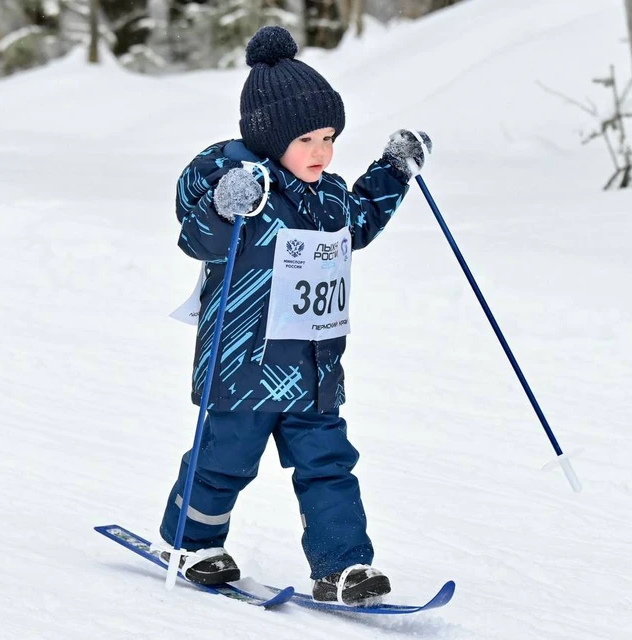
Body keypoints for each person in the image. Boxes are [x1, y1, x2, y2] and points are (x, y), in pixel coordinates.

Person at [159, 24, 431, 605]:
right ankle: (193, 542)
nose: (323, 152)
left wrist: (394, 171)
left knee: (329, 466)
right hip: (244, 365)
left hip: (313, 368)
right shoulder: (241, 188)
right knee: (223, 459)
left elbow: (359, 223)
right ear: (269, 136)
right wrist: (226, 207)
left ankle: (343, 567)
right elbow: (198, 238)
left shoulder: (329, 194)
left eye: (330, 137)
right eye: (308, 139)